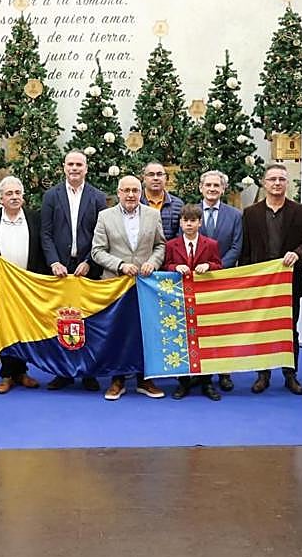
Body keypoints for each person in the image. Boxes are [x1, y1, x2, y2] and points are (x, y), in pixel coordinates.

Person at [91, 175, 167, 400]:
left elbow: (160, 245)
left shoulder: (153, 215)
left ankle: (145, 379)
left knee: (145, 331)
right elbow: (97, 251)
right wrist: (121, 265)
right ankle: (117, 380)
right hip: (115, 285)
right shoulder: (105, 216)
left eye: (135, 190)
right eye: (126, 191)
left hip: (145, 285)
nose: (131, 195)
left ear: (141, 192)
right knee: (117, 331)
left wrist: (152, 263)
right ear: (118, 193)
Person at [241, 163, 302, 395]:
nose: (277, 183)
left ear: (287, 183)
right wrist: (246, 281)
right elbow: (245, 250)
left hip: (289, 282)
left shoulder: (301, 211)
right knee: (262, 328)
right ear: (264, 182)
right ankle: (263, 374)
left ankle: (289, 373)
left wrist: (298, 254)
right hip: (260, 284)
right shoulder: (250, 213)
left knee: (289, 328)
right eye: (272, 179)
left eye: (281, 179)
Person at [40, 150, 108, 390]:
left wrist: (90, 260)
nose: (75, 168)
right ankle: (64, 372)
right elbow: (45, 233)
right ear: (64, 167)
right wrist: (53, 262)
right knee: (61, 319)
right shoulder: (51, 196)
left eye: (79, 164)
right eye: (71, 164)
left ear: (86, 168)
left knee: (87, 320)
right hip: (60, 268)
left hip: (87, 268)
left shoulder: (98, 197)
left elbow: (101, 235)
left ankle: (88, 372)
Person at [0, 175, 47, 394]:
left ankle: (22, 372)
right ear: (0, 198)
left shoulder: (34, 218)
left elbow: (42, 248)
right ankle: (7, 375)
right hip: (3, 285)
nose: (14, 197)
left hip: (29, 284)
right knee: (5, 328)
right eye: (9, 194)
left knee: (24, 328)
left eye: (17, 193)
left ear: (23, 196)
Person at [164, 204, 223, 401]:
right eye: (185, 221)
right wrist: (175, 266)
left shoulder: (211, 244)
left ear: (199, 223)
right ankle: (183, 382)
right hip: (179, 300)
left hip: (204, 301)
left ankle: (207, 382)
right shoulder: (171, 245)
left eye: (193, 221)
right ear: (180, 223)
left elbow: (219, 265)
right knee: (181, 338)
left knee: (205, 339)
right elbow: (165, 266)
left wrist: (209, 265)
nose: (189, 224)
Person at [198, 169, 242, 392]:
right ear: (201, 188)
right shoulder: (191, 212)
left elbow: (236, 246)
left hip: (223, 279)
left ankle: (224, 372)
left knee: (224, 328)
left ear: (223, 189)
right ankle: (201, 373)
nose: (212, 189)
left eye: (217, 186)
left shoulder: (235, 215)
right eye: (209, 185)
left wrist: (218, 268)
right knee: (201, 328)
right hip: (195, 281)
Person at [141, 161, 184, 240]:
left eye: (159, 174)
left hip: (169, 251)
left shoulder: (178, 205)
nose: (155, 178)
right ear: (144, 178)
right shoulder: (137, 203)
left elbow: (180, 236)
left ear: (165, 178)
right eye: (151, 175)